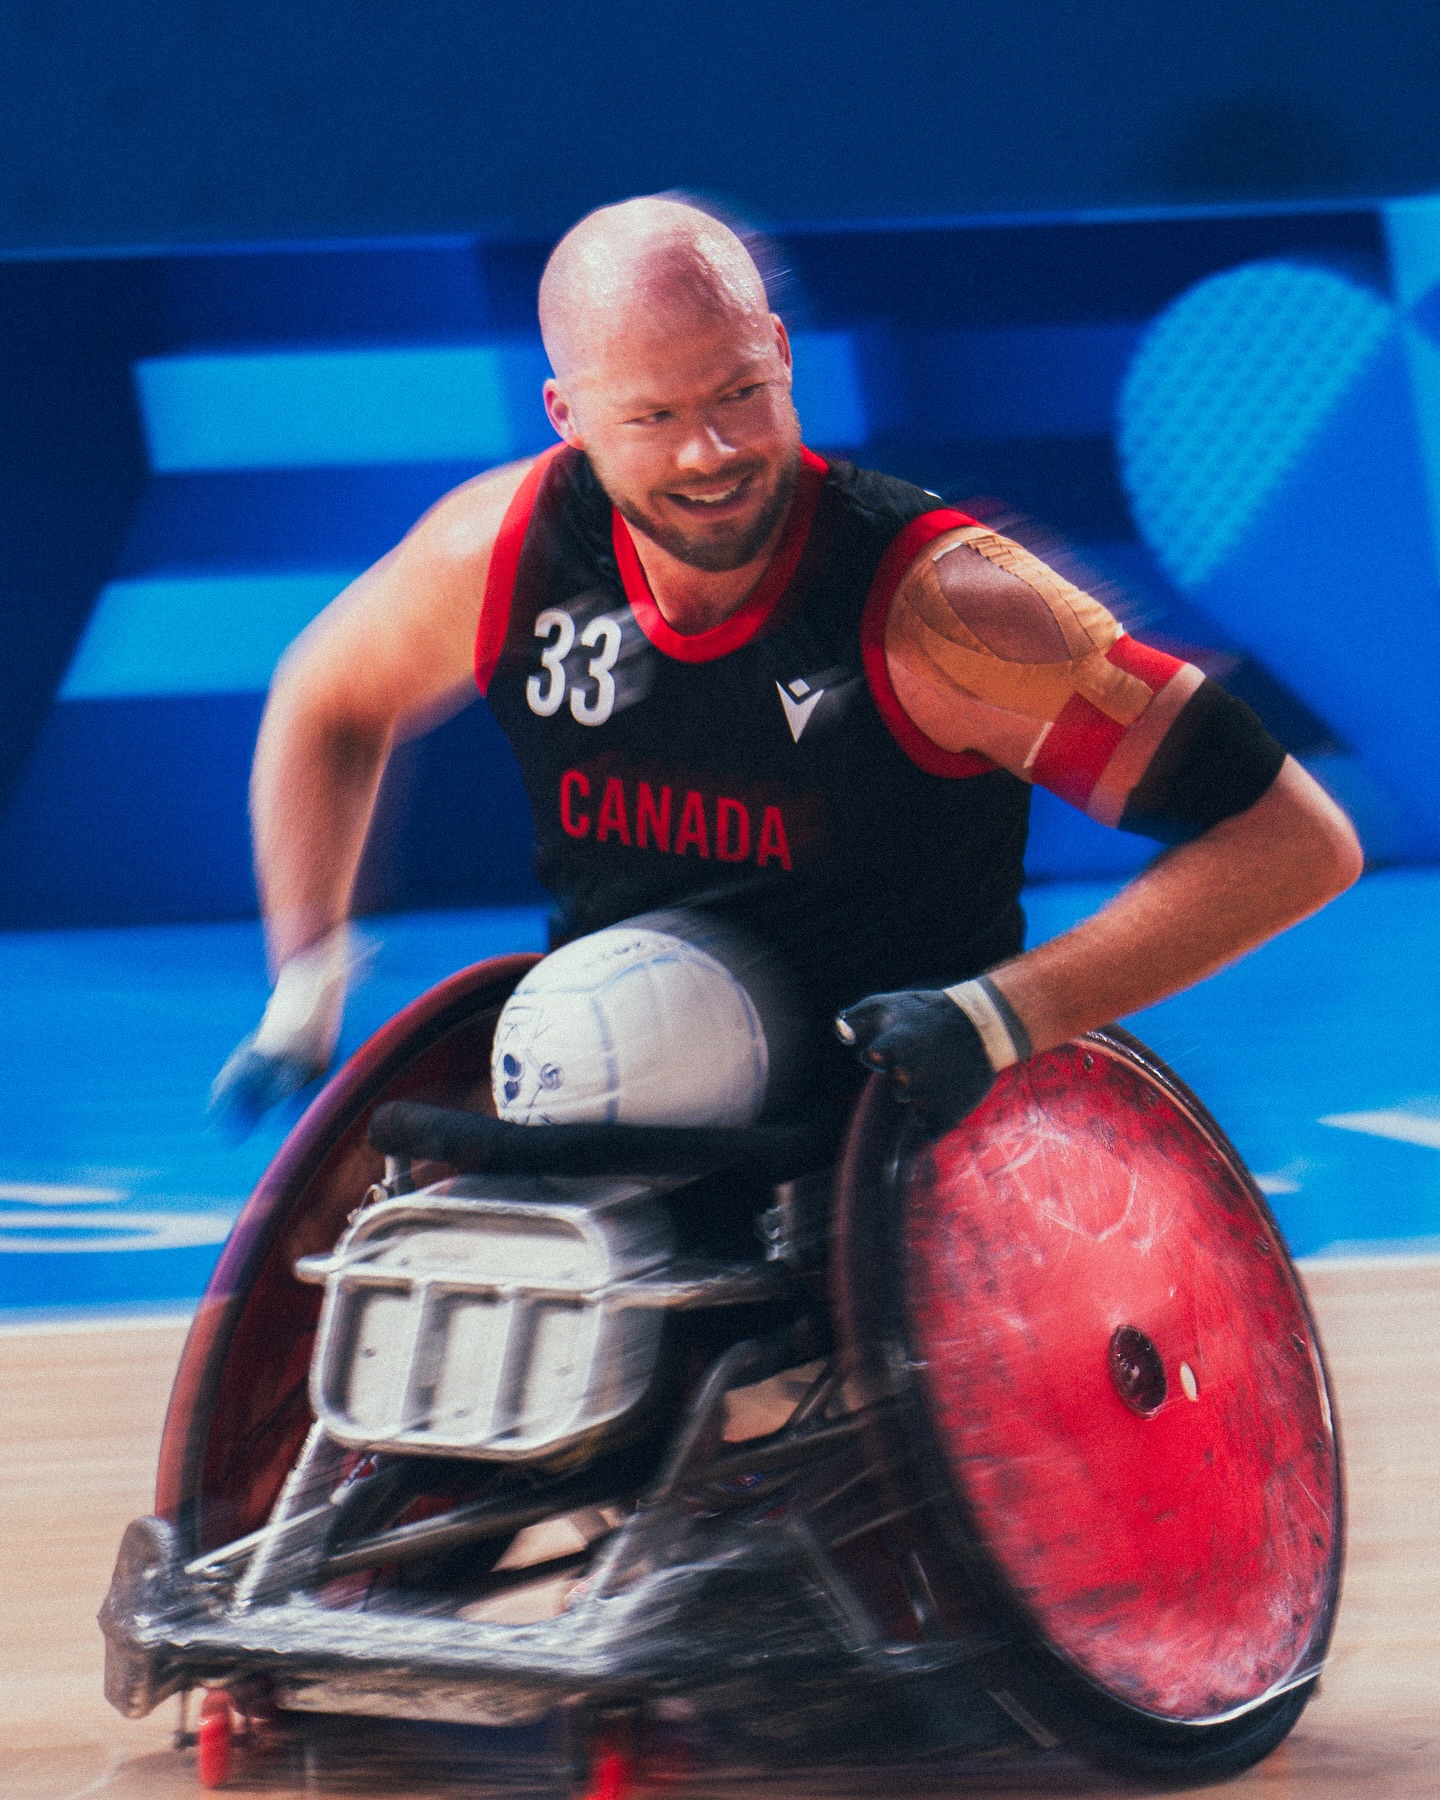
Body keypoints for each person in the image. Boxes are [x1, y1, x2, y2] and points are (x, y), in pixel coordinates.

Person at [212, 196, 1361, 1139]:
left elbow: (1296, 840)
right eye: (654, 415)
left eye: (737, 395)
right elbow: (328, 698)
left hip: (899, 1120)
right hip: (618, 1068)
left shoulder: (952, 606)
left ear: (782, 354)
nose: (709, 454)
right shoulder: (500, 551)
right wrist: (306, 981)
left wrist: (1005, 1016)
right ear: (568, 414)